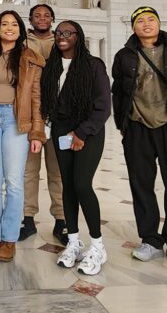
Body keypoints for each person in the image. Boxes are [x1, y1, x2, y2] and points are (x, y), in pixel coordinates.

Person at [112, 6, 167, 269]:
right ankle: (150, 240)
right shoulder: (124, 55)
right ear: (133, 27)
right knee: (141, 186)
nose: (147, 24)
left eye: (151, 19)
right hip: (137, 127)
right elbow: (118, 91)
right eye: (140, 21)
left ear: (159, 24)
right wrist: (121, 122)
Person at [0, 10, 45, 263]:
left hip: (17, 122)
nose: (9, 28)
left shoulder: (30, 58)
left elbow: (36, 97)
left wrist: (37, 131)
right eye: (4, 24)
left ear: (20, 29)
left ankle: (10, 238)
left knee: (14, 182)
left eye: (14, 24)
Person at [43, 21, 111, 275]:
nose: (62, 36)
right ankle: (73, 242)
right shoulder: (52, 66)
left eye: (68, 33)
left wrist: (81, 132)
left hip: (88, 132)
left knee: (82, 185)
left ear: (78, 37)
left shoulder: (93, 65)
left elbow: (103, 106)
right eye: (59, 33)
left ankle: (97, 246)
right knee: (67, 187)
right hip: (61, 132)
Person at [21, 3, 67, 244]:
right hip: (31, 116)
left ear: (52, 19)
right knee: (29, 170)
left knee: (57, 171)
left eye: (47, 15)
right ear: (30, 19)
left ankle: (61, 219)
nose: (42, 18)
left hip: (58, 115)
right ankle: (27, 219)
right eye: (37, 15)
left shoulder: (62, 41)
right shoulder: (23, 43)